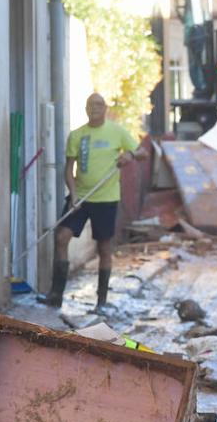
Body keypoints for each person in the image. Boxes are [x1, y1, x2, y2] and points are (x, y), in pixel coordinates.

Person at [39, 93, 147, 312]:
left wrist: (130, 157)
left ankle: (101, 301)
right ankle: (56, 295)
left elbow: (142, 152)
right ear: (86, 108)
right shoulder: (77, 135)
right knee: (61, 237)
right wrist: (73, 193)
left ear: (105, 108)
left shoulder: (116, 132)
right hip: (81, 198)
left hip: (106, 199)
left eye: (99, 104)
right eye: (91, 105)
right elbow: (69, 169)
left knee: (104, 248)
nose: (95, 108)